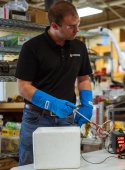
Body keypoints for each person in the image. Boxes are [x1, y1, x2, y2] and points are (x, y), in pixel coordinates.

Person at [15, 1, 93, 166]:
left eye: (78, 24)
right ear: (54, 25)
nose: (77, 30)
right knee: (31, 166)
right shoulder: (31, 48)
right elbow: (23, 87)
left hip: (66, 119)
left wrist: (87, 104)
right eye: (71, 26)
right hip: (36, 119)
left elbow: (84, 79)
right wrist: (52, 103)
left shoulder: (79, 47)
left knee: (67, 164)